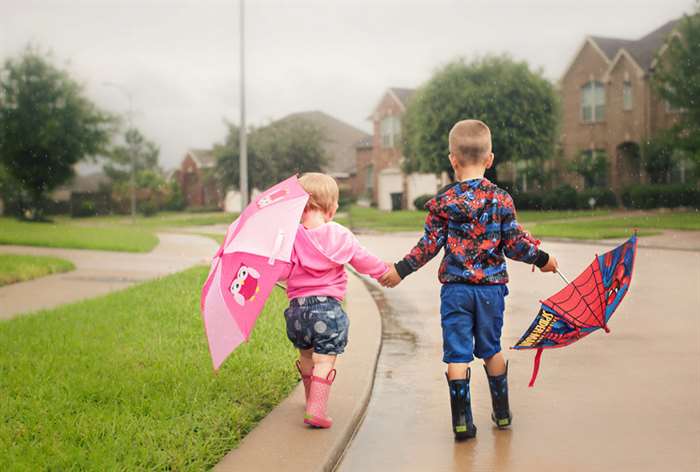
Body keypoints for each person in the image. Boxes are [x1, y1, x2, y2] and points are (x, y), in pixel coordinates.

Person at [379, 119, 558, 439]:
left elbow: (429, 246)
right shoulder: (501, 200)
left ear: (452, 159)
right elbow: (515, 243)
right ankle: (502, 414)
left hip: (456, 292)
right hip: (491, 291)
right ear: (490, 160)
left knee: (458, 355)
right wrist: (542, 259)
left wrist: (400, 269)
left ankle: (462, 422)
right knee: (491, 349)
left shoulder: (443, 203)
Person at [284, 172, 388, 428]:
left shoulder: (291, 237)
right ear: (331, 209)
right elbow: (363, 260)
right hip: (327, 311)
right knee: (324, 360)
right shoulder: (339, 236)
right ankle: (316, 409)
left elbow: (280, 271)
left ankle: (310, 400)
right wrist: (385, 272)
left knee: (307, 357)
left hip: (297, 314)